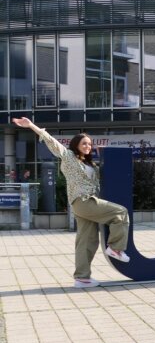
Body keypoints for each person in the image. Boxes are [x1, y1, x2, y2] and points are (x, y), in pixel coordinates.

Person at [12, 117, 130, 288]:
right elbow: (51, 142)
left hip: (87, 203)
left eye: (89, 144)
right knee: (120, 212)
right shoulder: (69, 157)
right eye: (84, 144)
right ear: (76, 145)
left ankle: (82, 278)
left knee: (87, 240)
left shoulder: (91, 164)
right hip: (82, 201)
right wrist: (31, 126)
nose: (87, 146)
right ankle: (116, 248)